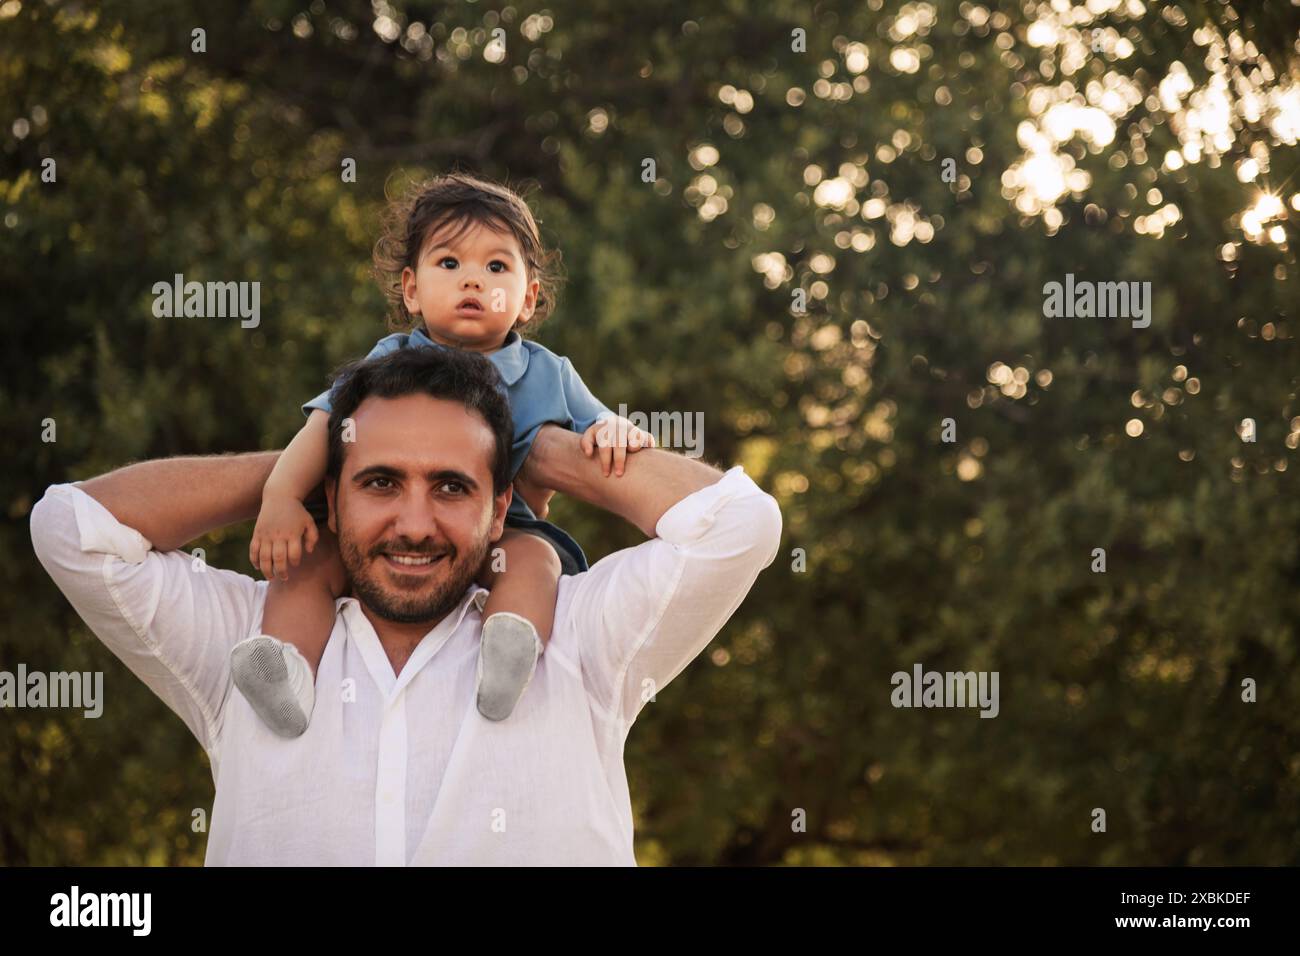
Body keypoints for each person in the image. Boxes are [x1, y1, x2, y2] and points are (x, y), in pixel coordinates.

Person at [29, 345, 783, 865]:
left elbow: (740, 526)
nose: (415, 524)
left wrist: (537, 449)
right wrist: (289, 480)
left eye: (452, 486)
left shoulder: (580, 635)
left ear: (499, 511)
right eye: (380, 482)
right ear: (333, 492)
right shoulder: (248, 639)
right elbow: (72, 527)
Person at [238, 171, 656, 733]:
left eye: (497, 267)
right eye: (450, 264)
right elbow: (323, 426)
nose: (473, 282)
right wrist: (282, 494)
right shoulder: (389, 359)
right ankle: (285, 667)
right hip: (392, 531)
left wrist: (615, 431)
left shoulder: (550, 373)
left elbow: (602, 424)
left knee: (537, 563)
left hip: (507, 529)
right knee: (311, 565)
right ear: (411, 289)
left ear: (529, 297)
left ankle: (507, 648)